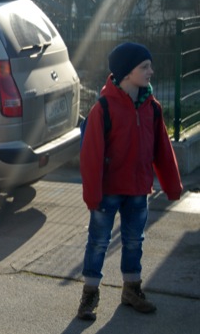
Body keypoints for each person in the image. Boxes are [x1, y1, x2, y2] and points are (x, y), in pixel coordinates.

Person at [77, 42, 183, 321]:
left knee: (135, 241)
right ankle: (89, 294)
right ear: (126, 73)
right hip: (108, 192)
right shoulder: (103, 108)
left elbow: (162, 148)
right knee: (98, 242)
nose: (151, 71)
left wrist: (172, 185)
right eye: (144, 67)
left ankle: (132, 289)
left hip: (138, 190)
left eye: (150, 66)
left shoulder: (152, 107)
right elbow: (91, 156)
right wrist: (92, 195)